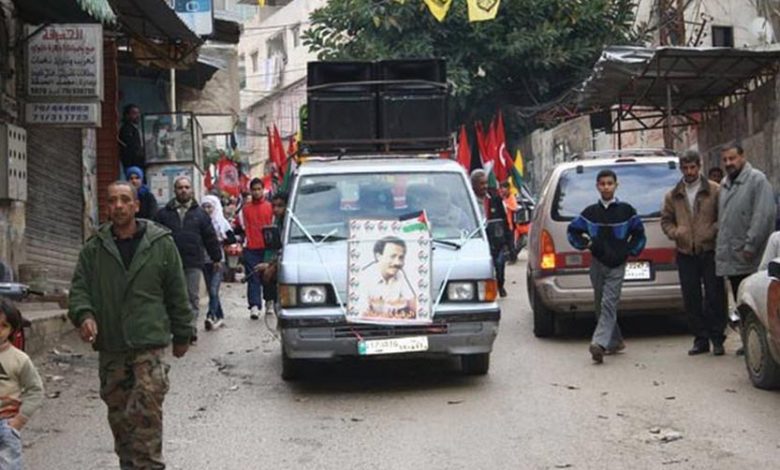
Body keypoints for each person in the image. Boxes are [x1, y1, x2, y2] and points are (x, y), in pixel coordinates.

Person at [68, 181, 192, 469]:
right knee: (121, 421)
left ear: (136, 205)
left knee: (146, 416)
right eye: (112, 201)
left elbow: (177, 291)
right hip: (112, 347)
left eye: (125, 200)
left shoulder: (161, 244)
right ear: (107, 207)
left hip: (148, 345)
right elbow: (79, 289)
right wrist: (84, 315)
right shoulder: (94, 248)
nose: (119, 206)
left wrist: (183, 332)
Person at [567, 169, 646, 364]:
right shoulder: (590, 213)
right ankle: (616, 341)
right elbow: (573, 231)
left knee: (608, 303)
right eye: (602, 184)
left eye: (609, 183)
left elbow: (639, 234)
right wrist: (587, 244)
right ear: (597, 187)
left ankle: (599, 344)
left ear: (616, 185)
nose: (606, 187)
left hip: (617, 265)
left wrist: (629, 250)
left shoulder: (627, 211)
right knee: (599, 304)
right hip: (597, 263)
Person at [661, 150, 725, 356]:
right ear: (681, 169)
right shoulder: (673, 195)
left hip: (710, 250)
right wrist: (676, 233)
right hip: (685, 252)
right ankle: (700, 338)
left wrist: (712, 231)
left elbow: (722, 216)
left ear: (699, 166)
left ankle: (717, 338)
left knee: (715, 296)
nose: (689, 172)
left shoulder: (714, 190)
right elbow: (666, 220)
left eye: (693, 167)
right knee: (691, 297)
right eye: (685, 168)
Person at [715, 142, 776, 354]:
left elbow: (763, 216)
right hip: (732, 256)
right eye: (725, 160)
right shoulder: (725, 183)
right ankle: (746, 341)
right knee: (741, 301)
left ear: (743, 157)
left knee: (754, 302)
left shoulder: (757, 180)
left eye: (732, 158)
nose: (729, 163)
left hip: (751, 255)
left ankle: (759, 344)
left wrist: (750, 245)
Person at [155, 176, 222, 344]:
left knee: (192, 297)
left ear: (191, 190)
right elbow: (155, 238)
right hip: (169, 263)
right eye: (180, 187)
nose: (183, 190)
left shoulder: (200, 214)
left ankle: (190, 330)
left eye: (186, 187)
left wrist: (216, 258)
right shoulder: (163, 214)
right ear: (175, 190)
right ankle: (174, 329)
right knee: (172, 297)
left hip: (193, 262)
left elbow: (210, 238)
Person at [0, 299, 44, 470]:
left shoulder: (19, 359)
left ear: (12, 330)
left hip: (6, 425)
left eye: (3, 326)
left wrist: (19, 420)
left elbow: (35, 390)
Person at [235, 178, 274, 320]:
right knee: (253, 277)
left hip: (267, 248)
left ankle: (269, 301)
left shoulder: (270, 207)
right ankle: (254, 306)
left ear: (263, 190)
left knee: (268, 277)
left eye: (259, 189)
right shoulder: (244, 209)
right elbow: (240, 226)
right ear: (250, 191)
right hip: (251, 248)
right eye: (254, 189)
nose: (257, 192)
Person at [470, 170, 512, 297]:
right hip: (477, 240)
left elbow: (504, 220)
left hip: (496, 240)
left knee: (500, 265)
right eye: (481, 183)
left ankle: (500, 285)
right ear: (473, 185)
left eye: (486, 183)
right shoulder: (468, 200)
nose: (485, 186)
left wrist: (509, 243)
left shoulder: (495, 199)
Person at [358, 237, 416, 319]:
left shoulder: (399, 274)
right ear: (378, 256)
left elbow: (413, 304)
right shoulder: (364, 278)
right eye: (392, 256)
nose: (397, 262)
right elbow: (363, 314)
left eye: (401, 257)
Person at [201, 195, 235, 331]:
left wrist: (220, 240)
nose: (207, 210)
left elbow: (232, 238)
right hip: (204, 260)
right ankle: (220, 315)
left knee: (214, 290)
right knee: (211, 291)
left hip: (218, 261)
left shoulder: (221, 222)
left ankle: (210, 316)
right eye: (204, 207)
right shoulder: (200, 222)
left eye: (209, 206)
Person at [118, 104, 145, 172]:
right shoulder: (126, 129)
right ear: (127, 115)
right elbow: (132, 147)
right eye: (134, 113)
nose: (137, 116)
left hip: (138, 163)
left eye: (138, 113)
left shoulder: (135, 128)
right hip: (131, 163)